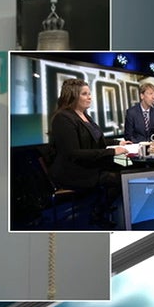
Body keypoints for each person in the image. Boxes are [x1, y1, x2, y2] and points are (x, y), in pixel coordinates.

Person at [48, 79, 128, 228]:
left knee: (127, 165)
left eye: (89, 93)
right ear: (72, 96)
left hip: (90, 164)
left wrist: (118, 143)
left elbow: (97, 140)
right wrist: (112, 151)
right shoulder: (63, 118)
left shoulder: (85, 116)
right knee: (118, 178)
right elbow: (74, 153)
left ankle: (104, 206)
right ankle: (98, 212)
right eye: (84, 94)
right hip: (73, 171)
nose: (90, 97)